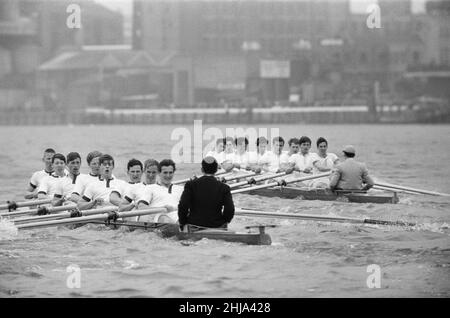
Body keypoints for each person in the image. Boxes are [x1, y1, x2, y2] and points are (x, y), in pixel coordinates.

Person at [178, 156, 235, 231]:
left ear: (202, 169)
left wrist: (182, 222)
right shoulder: (224, 188)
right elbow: (230, 209)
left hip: (194, 226)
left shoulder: (190, 185)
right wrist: (224, 222)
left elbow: (183, 205)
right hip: (217, 226)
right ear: (216, 170)